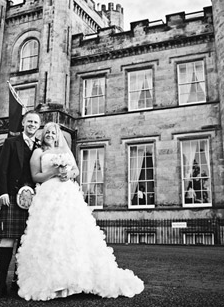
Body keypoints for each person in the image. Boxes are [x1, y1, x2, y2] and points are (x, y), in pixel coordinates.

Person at [16, 122, 144, 301]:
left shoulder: (65, 151)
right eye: (47, 132)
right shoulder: (38, 153)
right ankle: (53, 282)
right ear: (43, 134)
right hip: (47, 196)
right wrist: (53, 172)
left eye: (53, 132)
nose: (50, 135)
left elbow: (75, 170)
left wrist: (67, 175)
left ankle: (74, 280)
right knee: (50, 236)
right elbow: (35, 176)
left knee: (72, 234)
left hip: (67, 195)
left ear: (58, 134)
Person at [0, 110, 41, 300]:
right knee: (7, 239)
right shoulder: (11, 142)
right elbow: (2, 169)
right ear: (23, 123)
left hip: (34, 200)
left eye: (35, 122)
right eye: (29, 121)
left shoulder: (40, 146)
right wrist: (2, 192)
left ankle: (18, 282)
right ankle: (0, 285)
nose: (32, 124)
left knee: (25, 242)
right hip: (11, 196)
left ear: (38, 125)